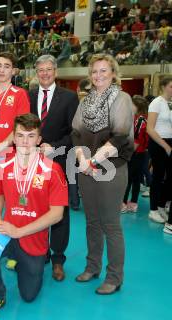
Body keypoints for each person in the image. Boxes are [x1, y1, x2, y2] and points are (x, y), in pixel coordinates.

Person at [0, 113, 67, 319]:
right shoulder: (3, 165)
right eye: (20, 136)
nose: (25, 141)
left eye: (30, 136)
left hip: (32, 236)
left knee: (28, 295)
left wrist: (19, 231)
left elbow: (56, 214)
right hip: (7, 230)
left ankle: (24, 263)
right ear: (14, 138)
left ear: (39, 139)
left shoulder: (52, 169)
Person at [71, 54, 133, 295]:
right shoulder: (86, 102)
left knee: (110, 224)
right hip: (87, 167)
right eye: (94, 71)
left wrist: (92, 161)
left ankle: (115, 277)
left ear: (113, 73)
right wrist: (81, 159)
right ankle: (92, 266)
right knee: (91, 222)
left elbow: (119, 135)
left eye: (103, 71)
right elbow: (76, 132)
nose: (98, 76)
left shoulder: (122, 98)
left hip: (112, 168)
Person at [29, 54, 79, 281]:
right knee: (36, 208)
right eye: (41, 70)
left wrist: (55, 148)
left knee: (60, 212)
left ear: (55, 72)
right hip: (33, 162)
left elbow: (74, 133)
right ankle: (41, 252)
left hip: (60, 162)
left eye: (49, 69)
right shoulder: (28, 97)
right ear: (36, 73)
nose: (45, 73)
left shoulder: (69, 98)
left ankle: (58, 258)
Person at [146, 76, 172, 231]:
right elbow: (150, 128)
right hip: (158, 143)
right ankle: (153, 209)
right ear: (163, 86)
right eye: (171, 86)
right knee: (158, 176)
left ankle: (162, 205)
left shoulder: (171, 104)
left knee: (170, 177)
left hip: (170, 141)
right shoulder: (156, 102)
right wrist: (166, 147)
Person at [121, 95, 149, 213]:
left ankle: (122, 203)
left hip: (134, 153)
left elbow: (137, 140)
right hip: (142, 154)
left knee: (127, 179)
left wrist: (127, 154)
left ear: (137, 106)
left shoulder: (140, 120)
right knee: (136, 179)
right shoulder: (144, 118)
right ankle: (133, 203)